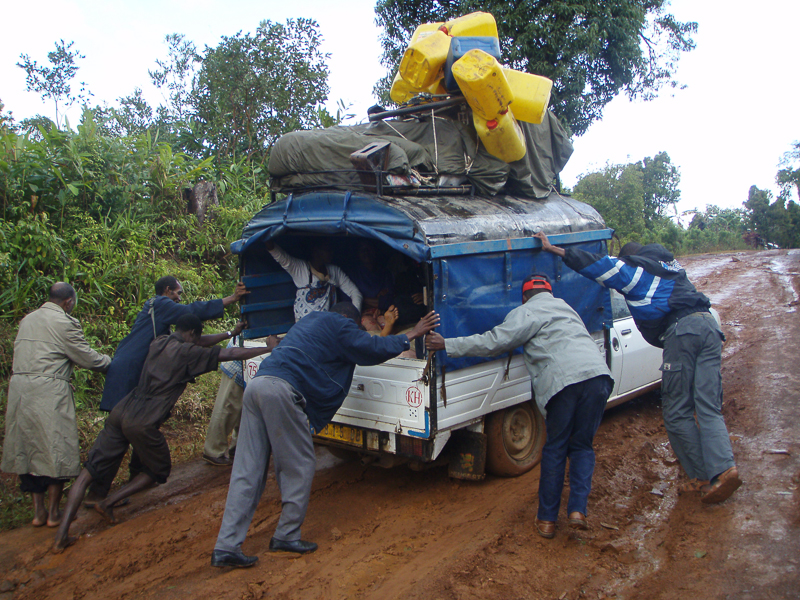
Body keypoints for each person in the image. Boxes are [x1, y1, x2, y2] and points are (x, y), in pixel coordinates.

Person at [210, 303, 439, 568]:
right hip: (282, 391)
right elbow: (372, 348)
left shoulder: (307, 322)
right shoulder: (341, 324)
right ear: (350, 321)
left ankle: (226, 546)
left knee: (247, 469)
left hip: (258, 386)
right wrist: (413, 333)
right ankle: (286, 536)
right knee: (301, 464)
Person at [535, 232, 742, 504]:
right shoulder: (672, 267)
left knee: (677, 411)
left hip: (683, 333)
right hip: (709, 328)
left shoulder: (637, 271)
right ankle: (725, 468)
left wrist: (555, 249)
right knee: (707, 406)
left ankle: (702, 478)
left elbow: (599, 265)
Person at [53, 315, 277, 552]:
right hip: (143, 419)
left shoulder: (159, 342)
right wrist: (267, 348)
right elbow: (229, 354)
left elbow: (200, 342)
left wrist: (231, 333)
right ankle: (108, 502)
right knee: (156, 470)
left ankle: (61, 536)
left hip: (123, 409)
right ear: (192, 334)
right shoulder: (189, 354)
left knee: (89, 471)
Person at [426, 275, 613, 539]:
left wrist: (447, 344)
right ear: (549, 292)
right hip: (598, 377)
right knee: (582, 446)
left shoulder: (525, 312)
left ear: (524, 297)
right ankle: (577, 512)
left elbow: (494, 341)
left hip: (564, 382)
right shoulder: (566, 306)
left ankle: (547, 521)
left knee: (556, 448)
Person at [87, 276, 247, 503]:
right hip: (130, 372)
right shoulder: (161, 304)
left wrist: (230, 333)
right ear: (167, 290)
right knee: (121, 434)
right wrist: (232, 298)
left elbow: (195, 341)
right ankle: (97, 492)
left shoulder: (163, 324)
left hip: (133, 371)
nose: (179, 298)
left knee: (140, 427)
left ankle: (135, 477)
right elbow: (192, 311)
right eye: (177, 293)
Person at [2, 283, 111, 528]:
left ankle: (38, 512)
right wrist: (110, 362)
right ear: (69, 302)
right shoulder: (65, 322)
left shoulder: (27, 320)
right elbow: (87, 357)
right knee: (55, 448)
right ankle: (53, 514)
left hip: (20, 389)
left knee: (28, 446)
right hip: (48, 392)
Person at [265, 240, 362, 321]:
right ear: (316, 251)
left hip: (327, 325)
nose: (331, 253)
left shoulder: (334, 270)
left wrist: (353, 317)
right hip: (304, 325)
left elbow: (355, 293)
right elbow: (278, 254)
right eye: (327, 250)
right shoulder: (300, 268)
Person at [201, 336, 246, 467]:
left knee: (244, 407)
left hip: (247, 359)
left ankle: (238, 446)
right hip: (239, 363)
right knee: (227, 406)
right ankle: (214, 450)